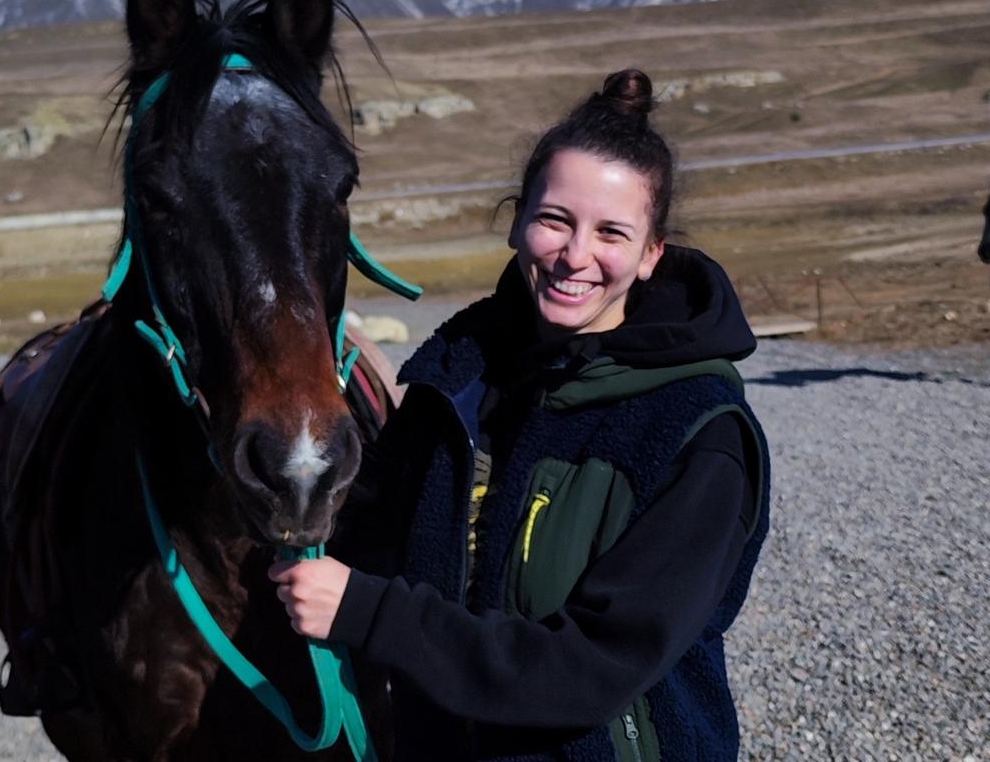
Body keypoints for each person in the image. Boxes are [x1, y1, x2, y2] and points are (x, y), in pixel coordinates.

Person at [270, 68, 770, 762]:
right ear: (517, 221)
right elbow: (370, 537)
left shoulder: (697, 435)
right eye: (555, 220)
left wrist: (367, 611)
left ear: (652, 254)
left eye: (611, 233)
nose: (575, 256)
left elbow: (591, 670)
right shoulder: (457, 380)